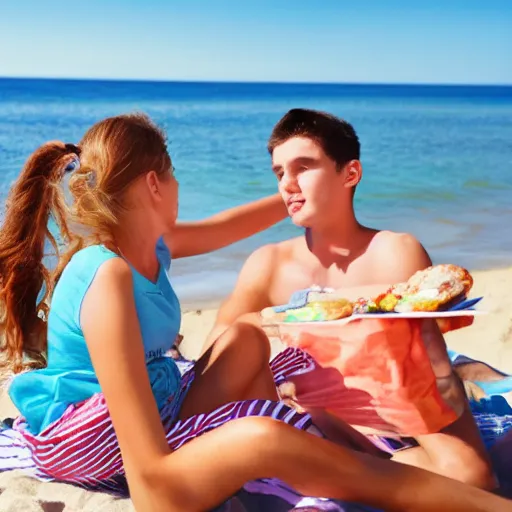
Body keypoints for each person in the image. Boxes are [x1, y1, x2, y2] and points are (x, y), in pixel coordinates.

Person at [0, 113, 507, 512]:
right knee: (262, 430)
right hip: (90, 437)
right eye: (173, 176)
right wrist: (254, 438)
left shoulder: (151, 246)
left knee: (247, 337)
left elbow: (225, 227)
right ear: (154, 185)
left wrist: (300, 192)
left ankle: (333, 461)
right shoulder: (106, 273)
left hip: (150, 408)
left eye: (299, 169)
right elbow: (149, 480)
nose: (179, 187)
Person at [206, 108, 496, 489]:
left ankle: (360, 464)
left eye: (303, 167)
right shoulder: (269, 264)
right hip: (313, 410)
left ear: (351, 174)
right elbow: (218, 352)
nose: (287, 184)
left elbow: (427, 374)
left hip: (402, 402)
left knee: (473, 477)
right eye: (279, 173)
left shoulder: (394, 252)